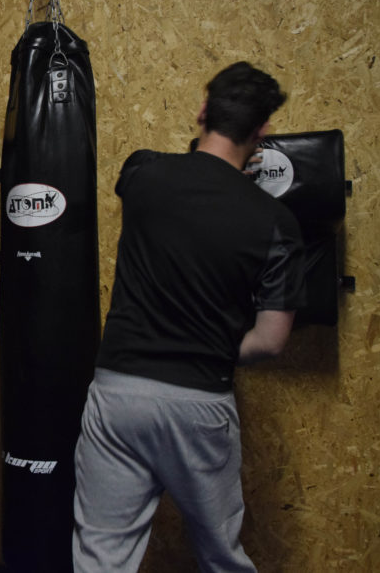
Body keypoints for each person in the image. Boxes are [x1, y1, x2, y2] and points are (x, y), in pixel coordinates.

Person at [72, 62, 305, 572]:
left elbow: (165, 178)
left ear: (202, 110)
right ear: (262, 131)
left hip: (118, 396)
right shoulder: (276, 224)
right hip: (199, 403)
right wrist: (211, 345)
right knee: (222, 558)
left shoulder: (142, 174)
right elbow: (270, 341)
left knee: (100, 558)